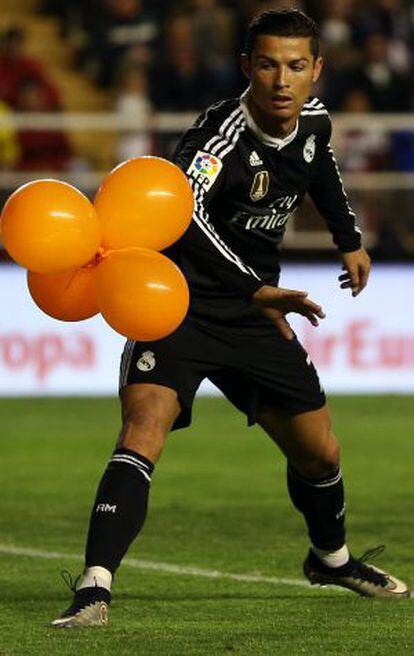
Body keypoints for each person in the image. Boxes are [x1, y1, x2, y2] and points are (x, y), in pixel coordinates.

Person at [52, 9, 409, 628]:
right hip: (178, 304)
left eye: (296, 65)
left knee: (321, 453)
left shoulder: (315, 121)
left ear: (316, 69)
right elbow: (184, 221)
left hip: (252, 316)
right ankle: (93, 587)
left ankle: (332, 557)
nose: (281, 79)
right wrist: (254, 289)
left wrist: (349, 237)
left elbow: (321, 168)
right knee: (143, 430)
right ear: (247, 66)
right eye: (268, 63)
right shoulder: (218, 137)